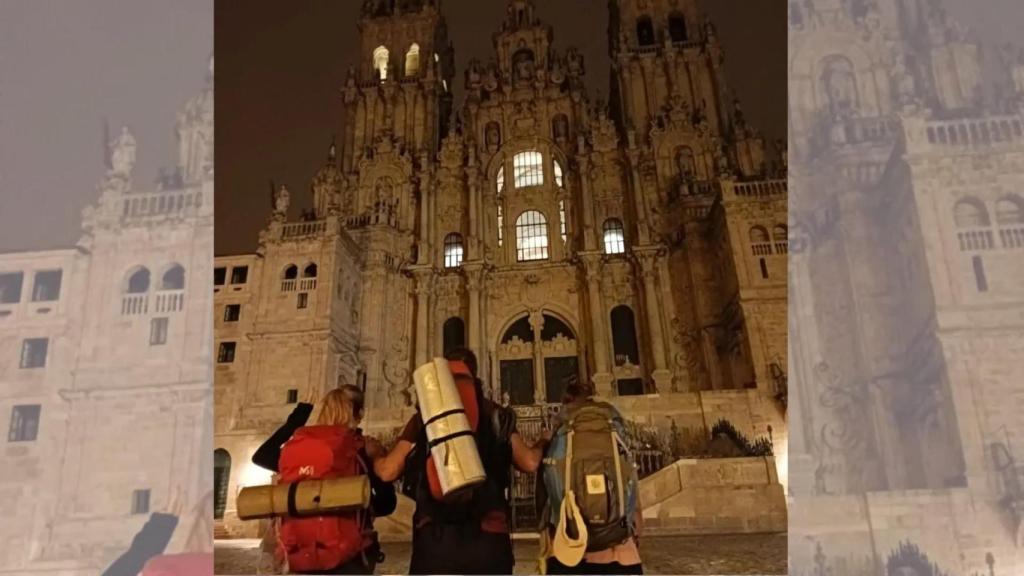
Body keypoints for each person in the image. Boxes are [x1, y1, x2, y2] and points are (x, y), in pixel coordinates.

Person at [373, 347, 547, 574]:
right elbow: (529, 462)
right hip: (489, 538)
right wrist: (543, 442)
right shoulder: (495, 413)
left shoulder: (427, 416)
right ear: (475, 375)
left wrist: (374, 453)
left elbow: (388, 471)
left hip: (435, 541)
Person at [252, 385, 395, 575]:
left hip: (298, 551)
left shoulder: (301, 448)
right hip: (348, 556)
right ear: (359, 413)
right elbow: (386, 504)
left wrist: (299, 416)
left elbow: (261, 456)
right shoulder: (360, 449)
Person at [541, 376, 644, 575]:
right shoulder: (612, 425)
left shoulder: (559, 429)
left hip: (568, 553)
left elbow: (549, 496)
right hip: (621, 554)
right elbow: (634, 502)